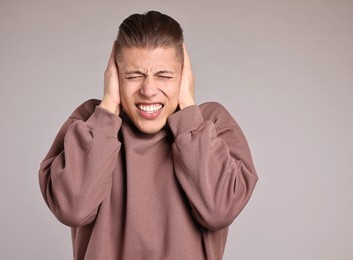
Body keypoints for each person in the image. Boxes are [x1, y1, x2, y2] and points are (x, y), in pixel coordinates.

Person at [39, 10, 258, 260]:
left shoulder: (211, 123)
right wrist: (108, 106)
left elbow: (219, 211)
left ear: (184, 76)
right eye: (134, 76)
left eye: (164, 75)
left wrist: (188, 113)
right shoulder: (92, 122)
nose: (149, 90)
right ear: (115, 75)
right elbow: (72, 209)